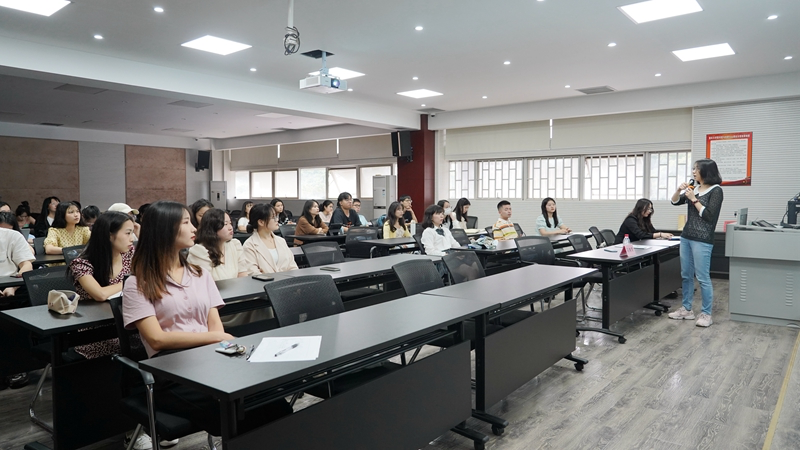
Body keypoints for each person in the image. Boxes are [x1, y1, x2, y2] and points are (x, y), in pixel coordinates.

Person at [122, 201, 292, 447]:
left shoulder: (199, 274)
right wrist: (216, 338)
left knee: (273, 401)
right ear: (164, 229)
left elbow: (215, 327)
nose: (194, 228)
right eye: (186, 222)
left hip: (211, 360)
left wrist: (217, 340)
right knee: (241, 411)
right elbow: (157, 339)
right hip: (171, 371)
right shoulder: (138, 283)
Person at [69, 211, 136, 359]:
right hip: (97, 331)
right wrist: (132, 282)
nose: (132, 238)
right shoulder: (81, 264)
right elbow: (100, 294)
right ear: (109, 235)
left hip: (128, 320)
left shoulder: (130, 253)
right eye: (128, 233)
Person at [668, 159, 724, 328]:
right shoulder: (695, 188)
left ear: (706, 171)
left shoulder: (716, 190)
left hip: (703, 239)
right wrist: (679, 190)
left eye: (696, 169)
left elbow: (708, 216)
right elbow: (674, 201)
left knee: (702, 277)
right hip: (686, 237)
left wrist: (694, 199)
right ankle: (686, 309)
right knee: (686, 274)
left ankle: (706, 314)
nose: (693, 172)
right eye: (693, 169)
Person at [0, 216, 35, 389]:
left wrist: (12, 287)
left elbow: (26, 265)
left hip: (12, 288)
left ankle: (17, 368)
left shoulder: (12, 235)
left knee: (15, 321)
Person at [188, 209, 248, 281]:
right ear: (212, 227)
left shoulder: (235, 245)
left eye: (230, 223)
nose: (230, 228)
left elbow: (243, 274)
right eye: (225, 224)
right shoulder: (199, 251)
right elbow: (203, 282)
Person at [242, 203, 298, 274]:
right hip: (264, 281)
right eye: (273, 217)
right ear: (261, 222)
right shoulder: (250, 245)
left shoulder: (281, 241)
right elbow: (253, 272)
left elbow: (292, 266)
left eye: (276, 216)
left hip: (287, 280)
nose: (277, 219)